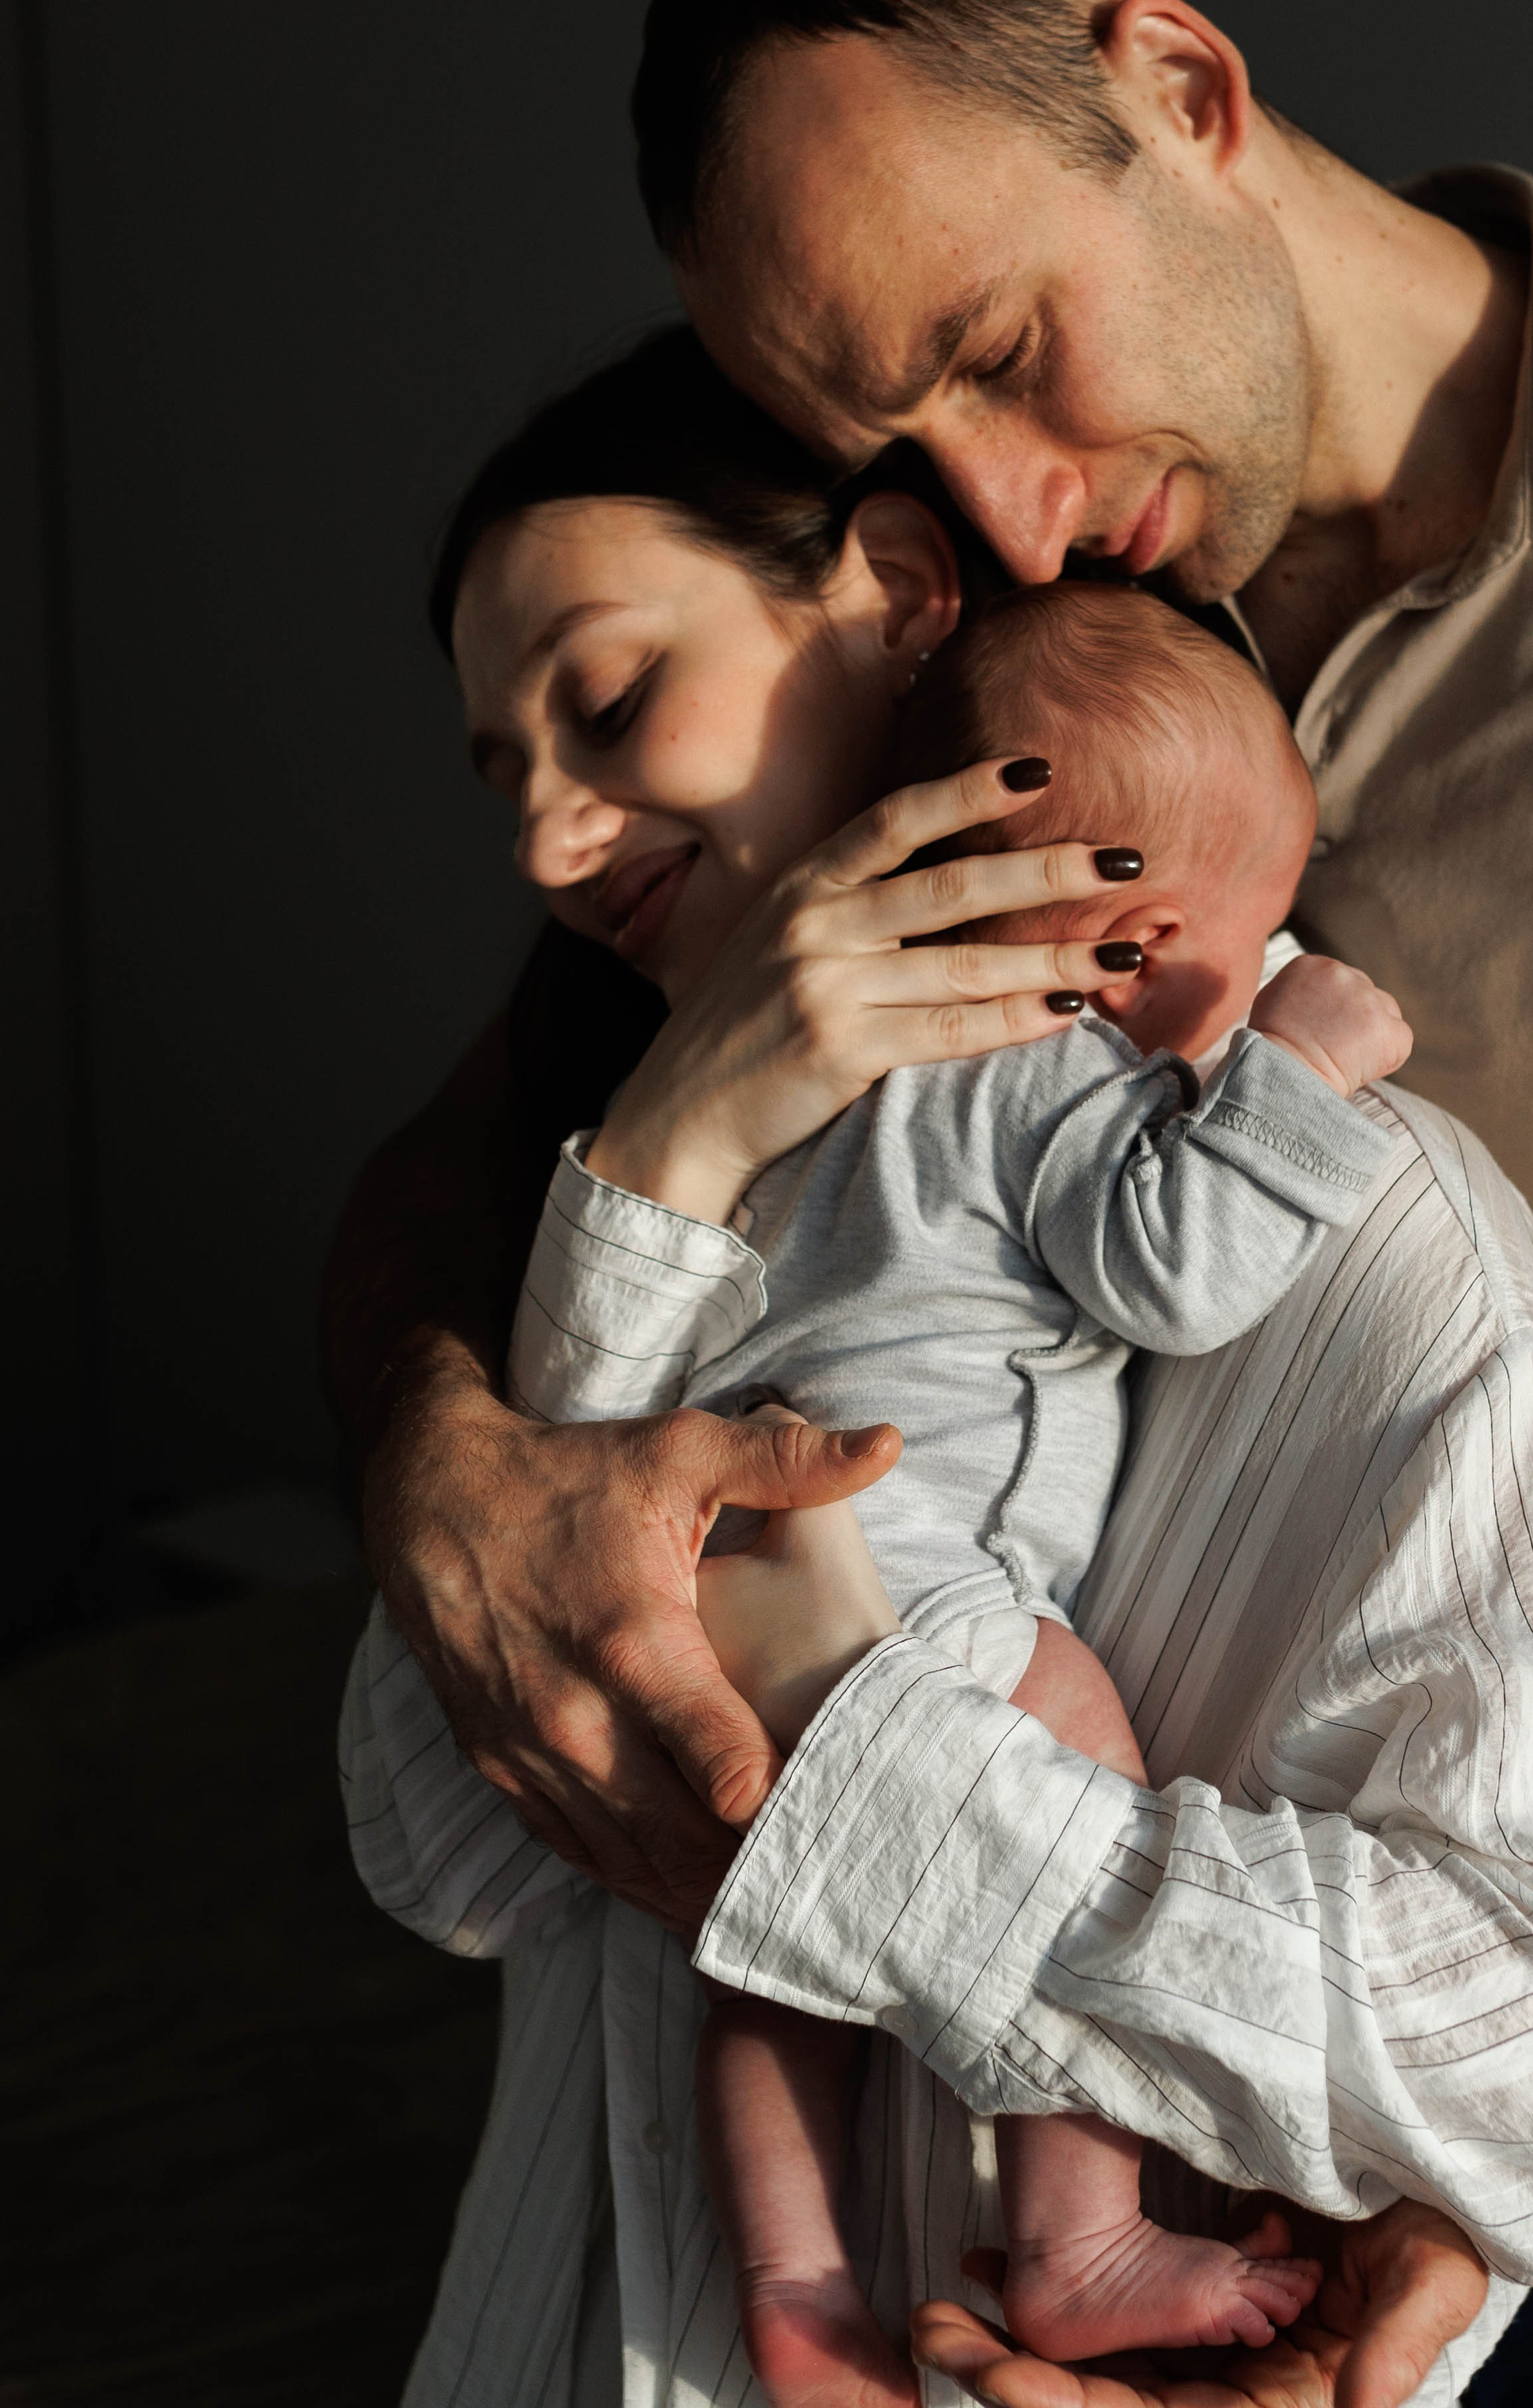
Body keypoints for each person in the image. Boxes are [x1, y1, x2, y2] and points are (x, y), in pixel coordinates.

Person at [339, 333, 1533, 2408]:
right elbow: (441, 1846)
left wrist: (862, 1808)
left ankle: (979, 2248)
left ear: (907, 598)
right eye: (507, 777)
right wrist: (662, 1161)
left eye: (614, 697)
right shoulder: (649, 1193)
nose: (550, 845)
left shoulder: (1361, 1220)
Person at [511, 578, 1414, 2400]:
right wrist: (1303, 1072)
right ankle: (1080, 2238)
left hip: (728, 1573)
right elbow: (1173, 1267)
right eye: (1249, 942)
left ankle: (790, 2278)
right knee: (1077, 1776)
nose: (1250, 984)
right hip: (914, 1574)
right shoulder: (1048, 1064)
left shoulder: (824, 1073)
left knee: (767, 1945)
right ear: (1132, 941)